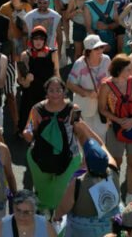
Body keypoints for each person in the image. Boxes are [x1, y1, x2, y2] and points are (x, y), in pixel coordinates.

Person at [23, 77, 82, 213]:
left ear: (64, 92)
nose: (55, 93)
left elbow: (80, 130)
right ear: (46, 93)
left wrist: (85, 153)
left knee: (62, 192)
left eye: (58, 90)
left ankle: (59, 217)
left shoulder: (74, 109)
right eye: (51, 90)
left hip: (69, 157)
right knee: (42, 192)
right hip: (41, 157)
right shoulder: (36, 109)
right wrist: (27, 132)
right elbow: (29, 127)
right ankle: (43, 218)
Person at [55, 137, 121, 237]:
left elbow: (62, 209)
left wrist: (55, 217)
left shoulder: (78, 183)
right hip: (109, 230)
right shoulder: (114, 169)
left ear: (86, 161)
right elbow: (103, 145)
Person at [97, 54, 132, 203]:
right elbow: (102, 109)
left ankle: (130, 193)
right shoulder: (105, 86)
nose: (131, 72)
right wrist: (119, 121)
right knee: (116, 162)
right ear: (118, 69)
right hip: (115, 127)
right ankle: (114, 192)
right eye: (128, 69)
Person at [16, 26, 59, 134]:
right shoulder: (25, 55)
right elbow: (22, 82)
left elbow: (57, 74)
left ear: (45, 40)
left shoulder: (52, 53)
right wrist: (27, 80)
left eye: (41, 38)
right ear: (31, 40)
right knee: (29, 132)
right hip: (30, 97)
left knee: (48, 129)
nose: (38, 41)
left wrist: (61, 92)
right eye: (36, 38)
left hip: (47, 95)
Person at [67, 35, 111, 138]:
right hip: (85, 106)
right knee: (86, 135)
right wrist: (87, 93)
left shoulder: (107, 60)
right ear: (88, 51)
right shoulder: (80, 64)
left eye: (101, 47)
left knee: (101, 134)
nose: (100, 50)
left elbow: (111, 78)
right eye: (96, 48)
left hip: (103, 104)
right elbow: (69, 84)